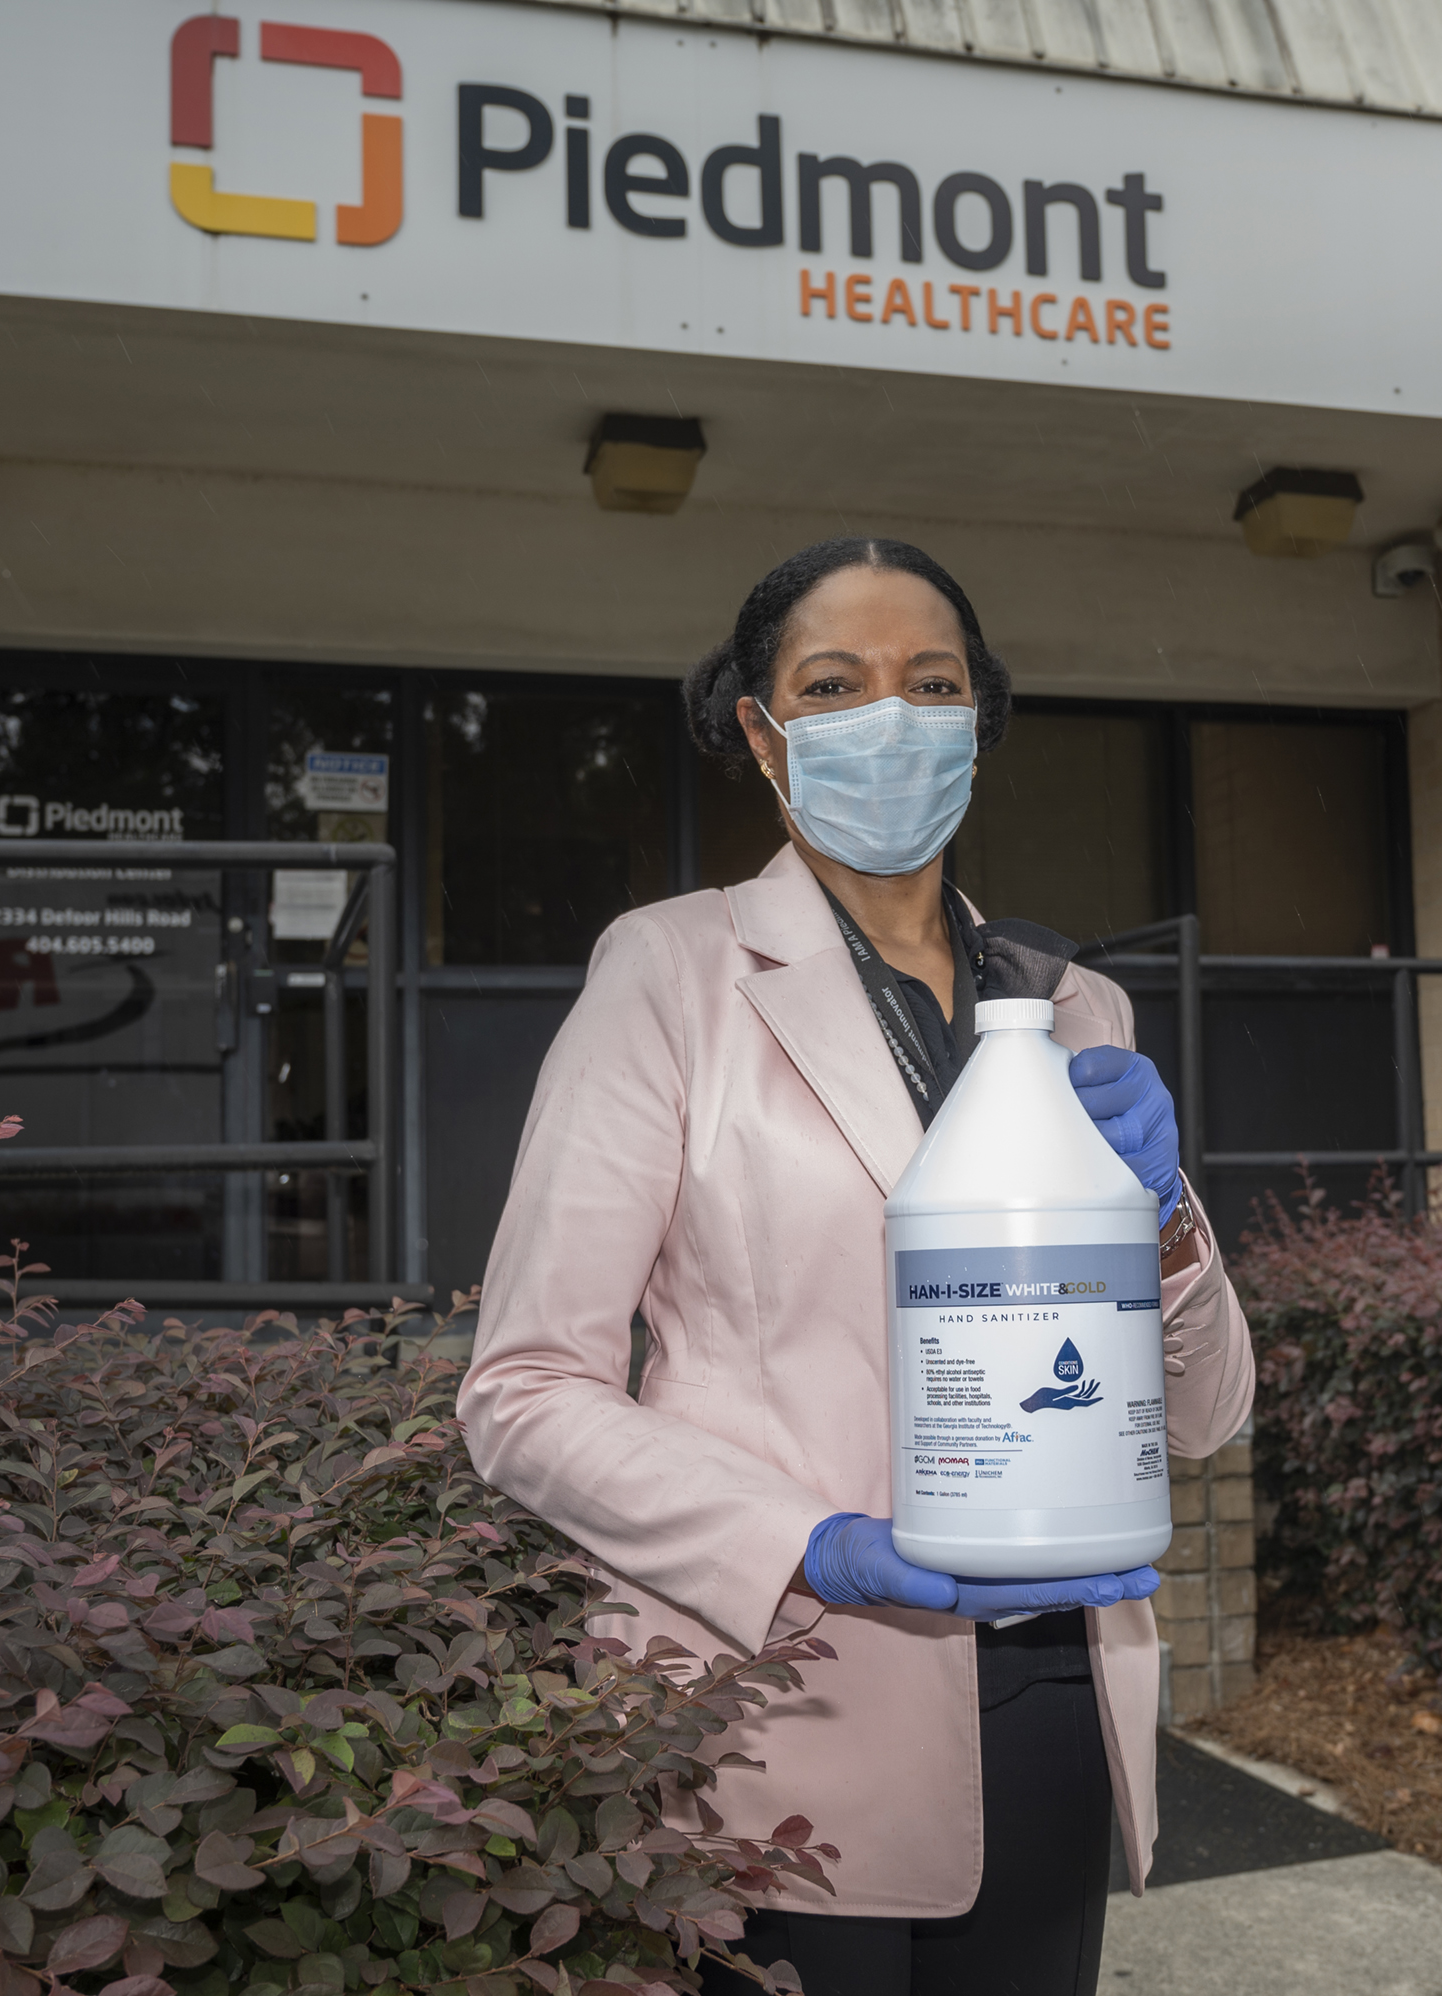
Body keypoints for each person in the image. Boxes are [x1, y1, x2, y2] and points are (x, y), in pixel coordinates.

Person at [458, 537, 1254, 1996]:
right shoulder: (671, 976)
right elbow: (521, 1391)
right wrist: (804, 1541)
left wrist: (1166, 1214)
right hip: (781, 1704)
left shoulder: (1079, 1007)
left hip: (1055, 1707)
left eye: (929, 681)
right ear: (765, 738)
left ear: (976, 725)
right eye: (834, 685)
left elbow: (1197, 1421)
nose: (889, 716)